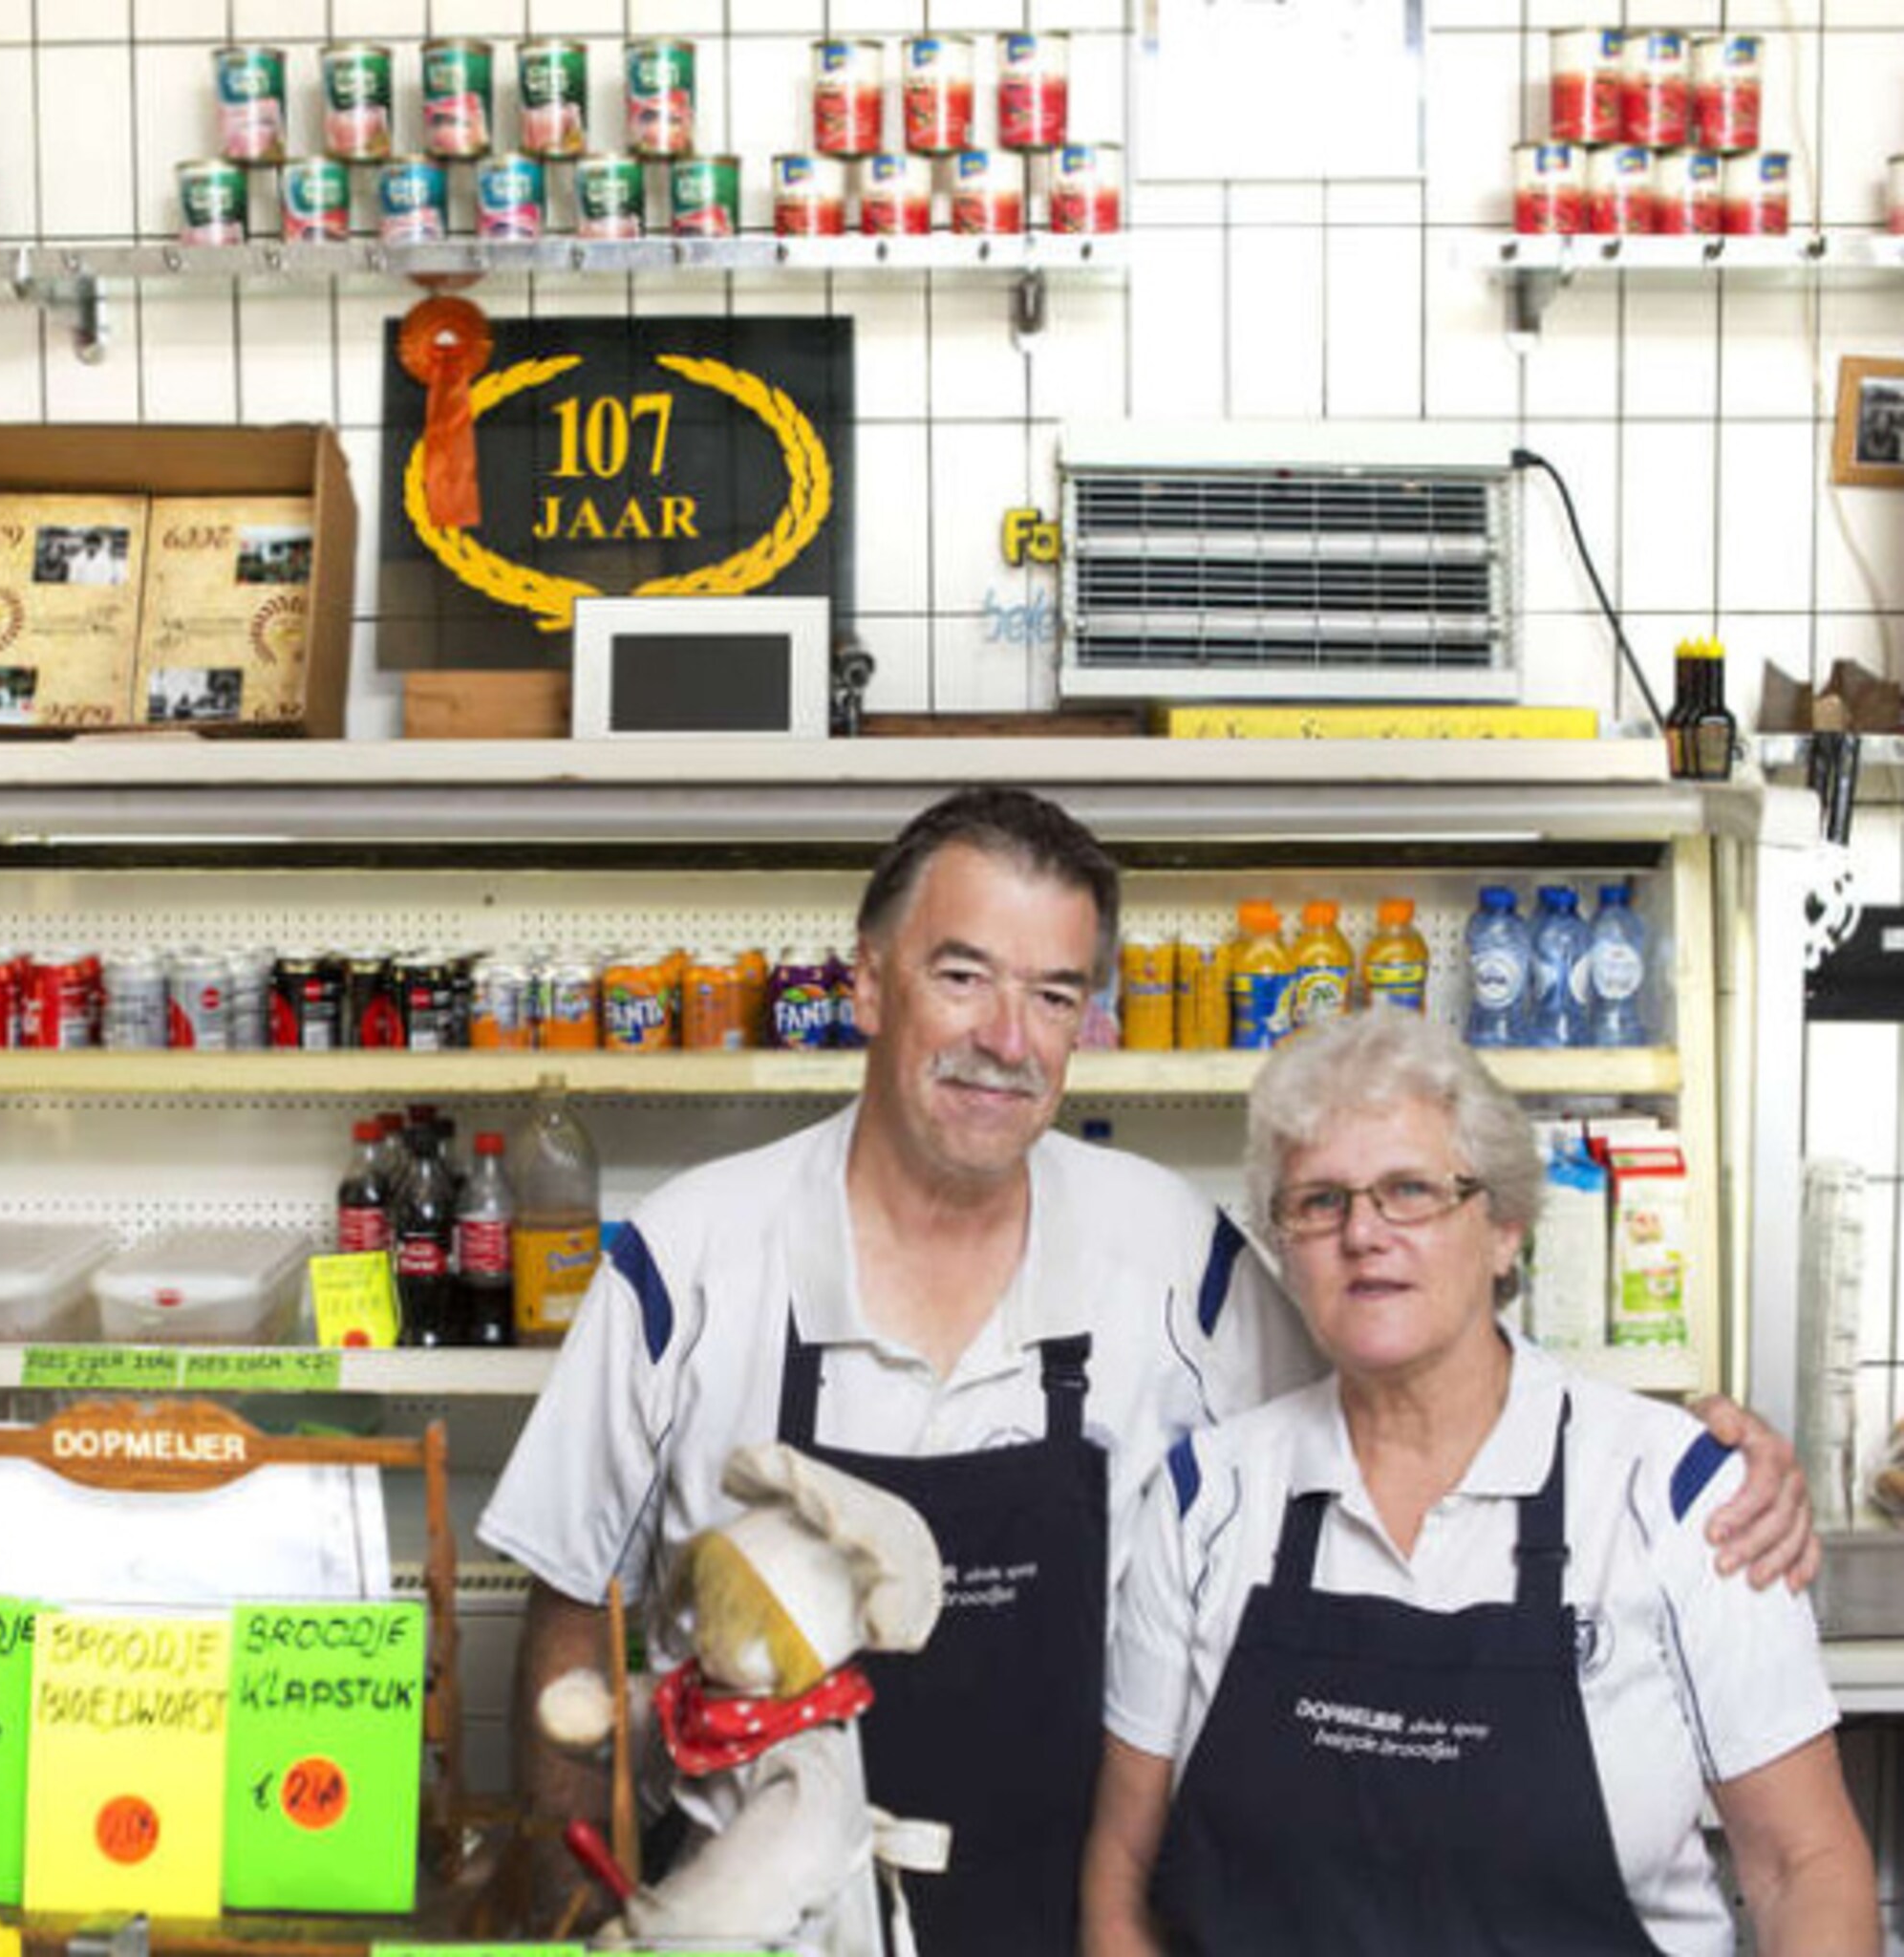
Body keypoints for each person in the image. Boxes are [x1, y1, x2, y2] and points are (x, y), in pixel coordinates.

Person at [481, 788, 1815, 1957]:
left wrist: (1689, 1456)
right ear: (873, 980)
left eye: (1054, 993)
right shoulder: (690, 1261)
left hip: (1073, 1920)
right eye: (963, 976)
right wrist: (558, 1905)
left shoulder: (1172, 1256)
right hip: (760, 1921)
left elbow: (1411, 1389)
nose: (1008, 1036)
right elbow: (563, 1606)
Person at [1082, 1008, 1873, 1957]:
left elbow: (1803, 1865)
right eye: (1318, 1201)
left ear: (1503, 1228)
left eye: (1409, 1190)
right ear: (1282, 1245)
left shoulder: (1676, 1493)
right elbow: (1123, 1876)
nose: (1362, 1232)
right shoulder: (1205, 1498)